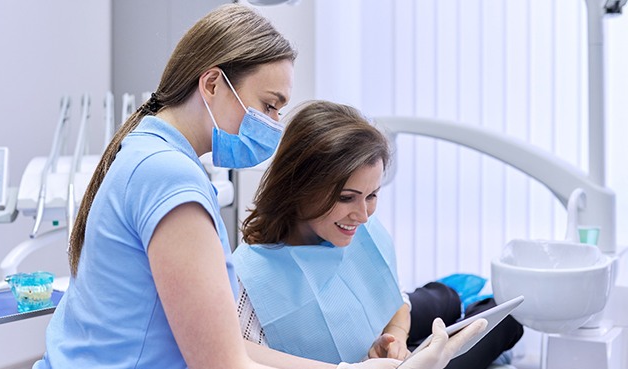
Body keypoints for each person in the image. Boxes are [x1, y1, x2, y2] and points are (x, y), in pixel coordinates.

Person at [32, 5, 484, 369]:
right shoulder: (168, 177)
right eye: (269, 106)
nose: (272, 126)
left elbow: (232, 345)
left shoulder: (151, 153)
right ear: (212, 83)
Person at [233, 100, 521, 369]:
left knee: (446, 298)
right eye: (347, 197)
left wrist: (396, 337)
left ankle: (450, 298)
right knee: (506, 323)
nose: (363, 215)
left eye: (371, 195)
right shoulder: (249, 283)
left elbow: (395, 301)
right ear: (300, 186)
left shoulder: (356, 228)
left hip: (379, 332)